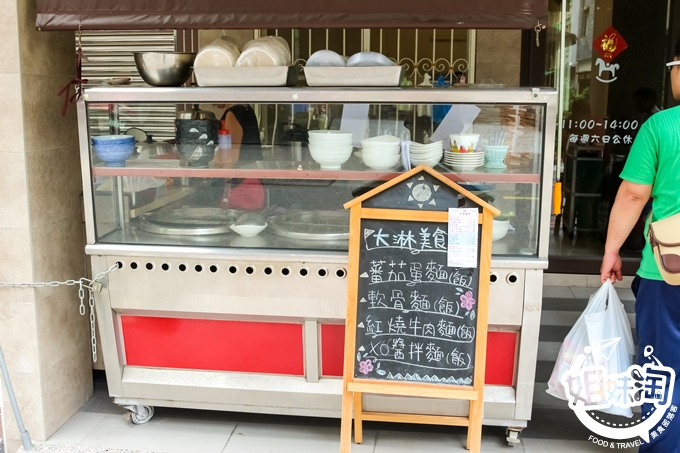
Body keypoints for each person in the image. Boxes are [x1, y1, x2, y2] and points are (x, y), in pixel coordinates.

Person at [600, 39, 680, 453]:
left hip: (668, 269)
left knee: (662, 366)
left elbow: (633, 195)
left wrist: (612, 251)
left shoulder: (661, 127)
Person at [215, 104, 265, 211]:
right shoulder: (247, 109)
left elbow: (231, 155)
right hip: (253, 177)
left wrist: (217, 162)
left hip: (240, 181)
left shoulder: (232, 114)